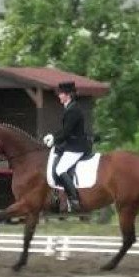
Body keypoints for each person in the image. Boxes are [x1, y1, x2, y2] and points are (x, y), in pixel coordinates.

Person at [43, 81, 89, 212]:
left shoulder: (73, 110)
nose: (59, 96)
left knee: (60, 169)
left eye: (61, 94)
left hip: (76, 147)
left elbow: (67, 132)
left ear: (68, 95)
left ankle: (74, 200)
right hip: (71, 146)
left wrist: (54, 139)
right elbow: (64, 129)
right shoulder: (70, 107)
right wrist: (53, 135)